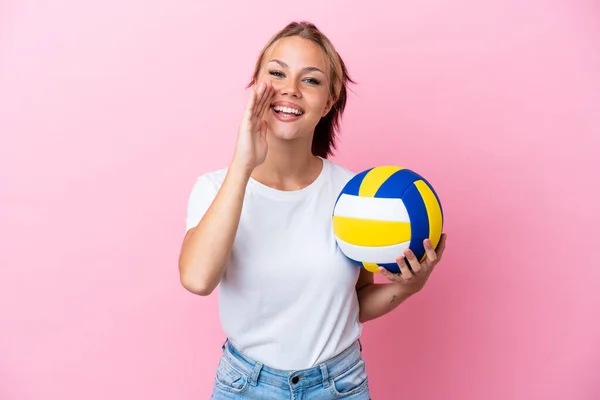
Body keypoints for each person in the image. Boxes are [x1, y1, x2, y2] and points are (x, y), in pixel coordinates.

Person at [178, 21, 447, 400]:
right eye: (277, 73)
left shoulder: (355, 197)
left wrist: (407, 287)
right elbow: (197, 279)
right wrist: (242, 166)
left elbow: (348, 307)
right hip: (244, 387)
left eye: (311, 80)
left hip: (339, 386)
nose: (290, 89)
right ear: (257, 84)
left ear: (331, 98)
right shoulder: (214, 189)